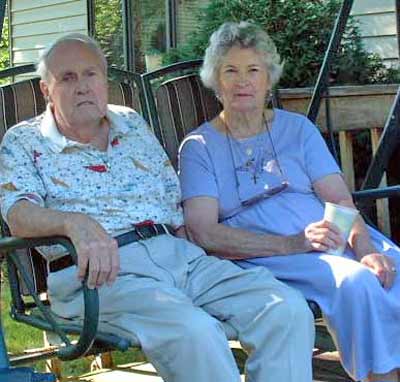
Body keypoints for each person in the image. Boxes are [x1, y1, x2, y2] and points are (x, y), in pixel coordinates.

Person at [0, 33, 315, 382]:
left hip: (177, 256)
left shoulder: (131, 122)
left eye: (91, 75)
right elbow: (17, 213)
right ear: (47, 90)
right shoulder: (24, 140)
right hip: (100, 273)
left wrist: (197, 250)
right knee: (194, 331)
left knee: (283, 308)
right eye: (67, 78)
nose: (82, 87)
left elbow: (170, 192)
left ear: (105, 82)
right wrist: (74, 223)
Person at [179, 21, 400, 382]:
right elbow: (203, 232)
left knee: (391, 268)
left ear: (269, 79)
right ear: (215, 82)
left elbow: (338, 199)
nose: (242, 81)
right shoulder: (199, 148)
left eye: (253, 70)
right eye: (230, 71)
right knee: (357, 283)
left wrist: (364, 248)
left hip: (328, 237)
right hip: (265, 253)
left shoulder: (297, 129)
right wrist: (293, 243)